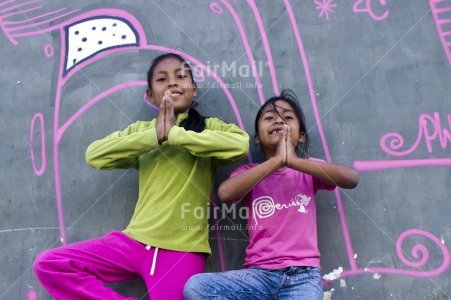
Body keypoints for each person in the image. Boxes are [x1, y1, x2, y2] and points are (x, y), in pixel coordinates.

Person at [33, 53, 249, 300]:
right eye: (162, 79)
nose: (172, 83)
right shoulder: (141, 132)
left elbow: (239, 146)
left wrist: (175, 135)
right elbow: (95, 155)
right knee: (51, 264)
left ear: (194, 89)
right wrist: (154, 136)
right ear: (150, 95)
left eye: (181, 76)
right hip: (132, 243)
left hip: (181, 250)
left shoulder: (209, 127)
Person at [184, 90, 359, 300]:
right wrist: (277, 161)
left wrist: (293, 162)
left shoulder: (309, 171)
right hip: (258, 276)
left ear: (301, 136)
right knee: (196, 287)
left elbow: (351, 178)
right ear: (257, 138)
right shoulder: (249, 173)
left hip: (302, 278)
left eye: (287, 117)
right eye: (269, 117)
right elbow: (226, 193)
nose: (278, 120)